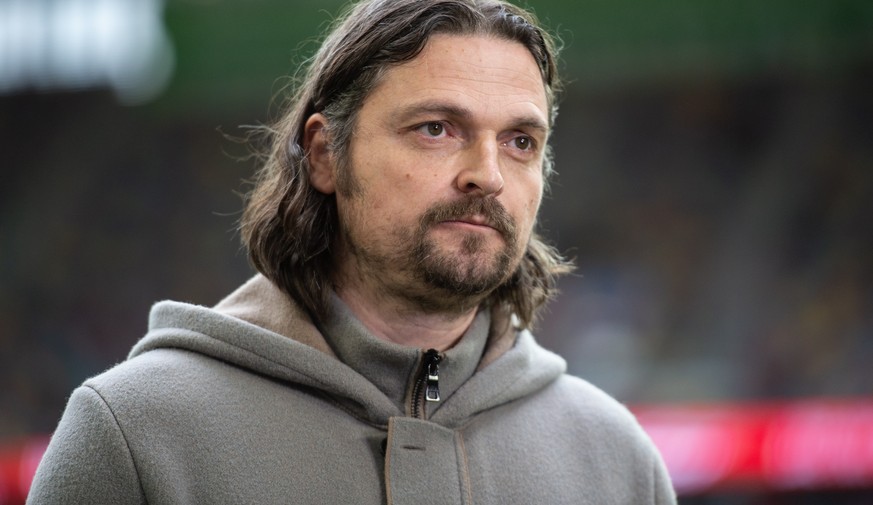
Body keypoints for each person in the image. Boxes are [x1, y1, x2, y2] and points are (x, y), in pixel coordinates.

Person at [28, 0, 676, 503]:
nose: (487, 174)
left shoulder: (615, 459)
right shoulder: (135, 433)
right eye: (435, 129)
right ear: (323, 155)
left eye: (519, 141)